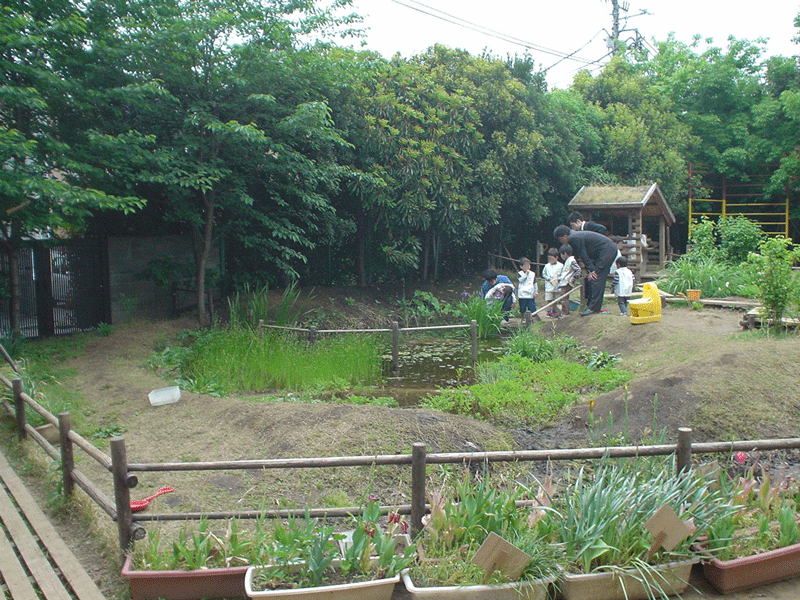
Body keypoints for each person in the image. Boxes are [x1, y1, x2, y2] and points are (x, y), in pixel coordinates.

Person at [554, 224, 619, 316]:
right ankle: (591, 306)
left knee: (597, 277)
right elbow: (579, 255)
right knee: (594, 278)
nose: (561, 242)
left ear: (564, 236)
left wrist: (592, 270)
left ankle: (593, 309)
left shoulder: (573, 238)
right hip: (603, 251)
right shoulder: (574, 236)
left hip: (607, 251)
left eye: (560, 239)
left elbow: (583, 254)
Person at [557, 244, 581, 316]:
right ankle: (564, 312)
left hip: (567, 283)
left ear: (565, 253)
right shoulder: (568, 261)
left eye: (561, 254)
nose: (561, 256)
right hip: (564, 282)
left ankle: (565, 313)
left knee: (564, 298)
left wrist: (573, 278)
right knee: (563, 298)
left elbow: (578, 270)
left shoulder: (571, 261)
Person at [542, 248, 563, 318]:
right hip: (549, 285)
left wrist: (558, 279)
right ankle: (549, 311)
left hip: (557, 285)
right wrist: (548, 278)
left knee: (555, 299)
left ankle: (554, 311)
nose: (550, 260)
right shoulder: (547, 266)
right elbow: (543, 274)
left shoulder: (561, 266)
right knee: (549, 299)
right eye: (549, 259)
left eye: (552, 258)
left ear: (556, 257)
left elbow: (563, 275)